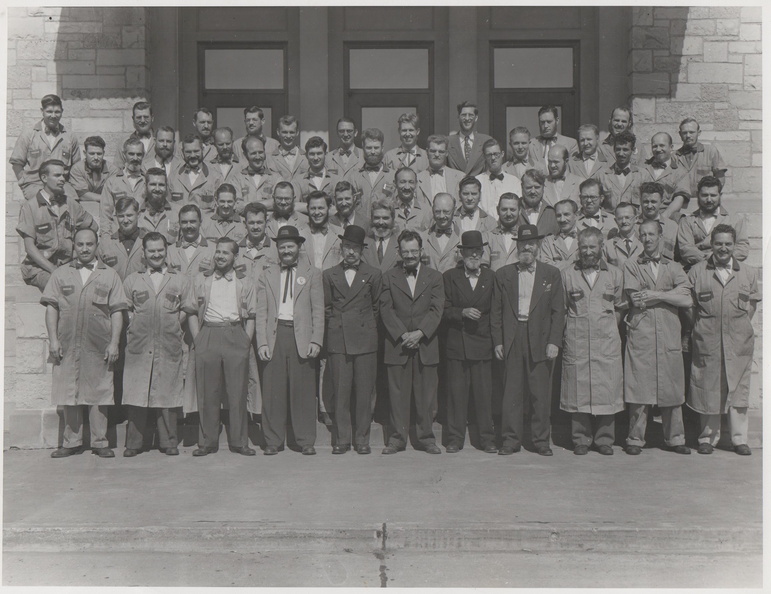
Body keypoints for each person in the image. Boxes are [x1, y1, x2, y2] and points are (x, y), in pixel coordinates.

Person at [42, 228, 127, 458]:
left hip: (98, 345)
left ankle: (100, 442)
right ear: (74, 246)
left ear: (97, 245)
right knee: (69, 390)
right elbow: (52, 308)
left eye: (90, 244)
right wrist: (53, 340)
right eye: (80, 244)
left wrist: (114, 343)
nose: (85, 249)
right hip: (68, 344)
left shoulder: (110, 275)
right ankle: (71, 442)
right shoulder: (60, 274)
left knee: (99, 391)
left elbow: (117, 311)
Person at [686, 224, 760, 456]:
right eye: (718, 243)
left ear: (734, 245)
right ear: (712, 244)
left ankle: (739, 439)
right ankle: (707, 438)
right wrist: (701, 329)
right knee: (708, 387)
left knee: (738, 390)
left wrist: (737, 328)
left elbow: (752, 305)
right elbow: (690, 308)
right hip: (708, 341)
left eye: (728, 243)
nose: (723, 248)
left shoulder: (748, 273)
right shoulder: (697, 271)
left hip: (739, 342)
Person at [491, 224, 565, 456]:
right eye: (522, 244)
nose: (526, 248)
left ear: (539, 246)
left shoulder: (551, 274)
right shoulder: (503, 274)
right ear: (516, 246)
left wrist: (554, 341)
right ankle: (510, 441)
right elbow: (496, 312)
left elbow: (557, 312)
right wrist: (498, 341)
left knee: (539, 393)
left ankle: (541, 441)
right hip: (513, 337)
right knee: (511, 393)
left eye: (531, 244)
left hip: (540, 339)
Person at [623, 219, 692, 456]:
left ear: (660, 237)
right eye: (643, 234)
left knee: (671, 385)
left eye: (652, 234)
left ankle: (675, 438)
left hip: (669, 333)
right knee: (639, 385)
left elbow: (687, 299)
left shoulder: (673, 266)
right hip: (641, 333)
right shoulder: (631, 265)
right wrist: (670, 295)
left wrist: (654, 294)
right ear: (639, 238)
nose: (648, 239)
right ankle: (635, 438)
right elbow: (636, 299)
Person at [122, 232, 194, 457]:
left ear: (166, 251)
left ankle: (168, 442)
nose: (156, 254)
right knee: (137, 391)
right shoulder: (133, 279)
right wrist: (134, 321)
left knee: (168, 393)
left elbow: (188, 307)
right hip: (140, 344)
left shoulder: (180, 279)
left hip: (168, 342)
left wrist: (173, 322)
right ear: (144, 253)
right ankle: (134, 443)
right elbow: (125, 307)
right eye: (151, 251)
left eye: (160, 250)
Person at [256, 226, 324, 455]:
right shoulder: (267, 274)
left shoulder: (313, 274)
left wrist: (316, 340)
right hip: (276, 336)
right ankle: (273, 442)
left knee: (302, 391)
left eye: (290, 246)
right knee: (273, 391)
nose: (286, 250)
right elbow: (262, 311)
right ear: (277, 249)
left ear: (299, 247)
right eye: (282, 246)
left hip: (301, 336)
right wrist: (262, 342)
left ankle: (306, 441)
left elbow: (318, 311)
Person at [187, 237, 257, 457]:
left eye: (225, 253)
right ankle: (207, 442)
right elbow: (190, 311)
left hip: (236, 334)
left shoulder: (244, 281)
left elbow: (253, 314)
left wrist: (246, 340)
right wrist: (198, 338)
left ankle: (239, 442)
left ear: (235, 257)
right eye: (218, 252)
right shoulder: (201, 279)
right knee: (208, 392)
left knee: (237, 392)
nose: (220, 256)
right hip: (208, 333)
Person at [560, 227, 625, 455]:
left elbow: (620, 308)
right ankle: (580, 439)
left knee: (607, 389)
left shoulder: (615, 274)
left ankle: (604, 440)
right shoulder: (567, 274)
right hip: (577, 341)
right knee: (579, 389)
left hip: (606, 342)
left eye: (592, 247)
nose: (588, 252)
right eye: (584, 247)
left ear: (601, 248)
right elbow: (563, 309)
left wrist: (606, 329)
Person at [380, 230, 445, 454]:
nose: (409, 256)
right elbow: (385, 310)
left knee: (426, 395)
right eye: (405, 251)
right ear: (398, 252)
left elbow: (437, 310)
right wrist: (402, 335)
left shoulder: (435, 277)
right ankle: (397, 439)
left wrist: (420, 333)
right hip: (397, 345)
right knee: (397, 395)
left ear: (421, 251)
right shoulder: (388, 277)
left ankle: (426, 438)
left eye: (414, 251)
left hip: (425, 344)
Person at [323, 225, 382, 454]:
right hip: (339, 339)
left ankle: (362, 439)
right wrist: (338, 324)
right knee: (341, 391)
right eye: (347, 247)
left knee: (365, 392)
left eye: (355, 248)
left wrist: (365, 326)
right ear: (341, 248)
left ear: (362, 250)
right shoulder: (329, 275)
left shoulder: (373, 274)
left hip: (365, 339)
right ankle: (342, 439)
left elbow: (376, 307)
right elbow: (327, 308)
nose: (350, 252)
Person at [442, 231, 497, 454]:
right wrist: (461, 312)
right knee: (457, 395)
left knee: (484, 395)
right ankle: (455, 439)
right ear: (461, 253)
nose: (474, 255)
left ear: (483, 254)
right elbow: (443, 310)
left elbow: (496, 311)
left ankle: (487, 439)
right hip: (458, 345)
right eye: (469, 251)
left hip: (483, 343)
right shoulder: (449, 277)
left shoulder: (491, 278)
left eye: (478, 252)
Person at [16, 159, 98, 291]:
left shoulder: (70, 204)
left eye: (64, 176)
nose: (62, 179)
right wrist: (53, 270)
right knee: (61, 286)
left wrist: (78, 252)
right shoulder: (30, 207)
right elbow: (30, 248)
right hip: (39, 269)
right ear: (44, 178)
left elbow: (93, 227)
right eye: (57, 175)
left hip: (67, 266)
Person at [10, 94, 80, 200]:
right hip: (35, 184)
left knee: (73, 205)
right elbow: (17, 163)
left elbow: (76, 167)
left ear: (62, 112)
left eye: (57, 112)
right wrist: (24, 183)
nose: (53, 115)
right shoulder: (28, 135)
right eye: (49, 111)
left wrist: (73, 186)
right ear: (42, 111)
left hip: (62, 184)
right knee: (44, 206)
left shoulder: (70, 137)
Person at [676, 176, 749, 269]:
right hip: (695, 267)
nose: (709, 200)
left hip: (726, 267)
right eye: (705, 195)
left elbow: (742, 248)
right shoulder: (687, 221)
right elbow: (686, 249)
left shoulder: (734, 219)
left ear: (720, 195)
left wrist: (720, 258)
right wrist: (709, 259)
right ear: (698, 195)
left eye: (713, 195)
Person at [99, 138, 147, 237]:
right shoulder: (112, 182)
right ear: (124, 155)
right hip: (118, 236)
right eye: (131, 154)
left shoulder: (148, 181)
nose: (135, 158)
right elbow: (105, 215)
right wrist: (106, 237)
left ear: (143, 155)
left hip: (142, 237)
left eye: (139, 154)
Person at [345, 128, 395, 219]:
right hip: (360, 229)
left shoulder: (392, 176)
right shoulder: (354, 177)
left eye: (376, 148)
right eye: (369, 148)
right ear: (363, 148)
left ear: (382, 148)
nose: (372, 152)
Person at [233, 136, 288, 214]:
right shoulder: (236, 179)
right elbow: (238, 207)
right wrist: (267, 203)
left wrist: (248, 204)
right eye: (253, 153)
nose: (258, 157)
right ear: (245, 155)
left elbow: (280, 202)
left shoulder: (276, 178)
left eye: (261, 152)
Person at [642, 132, 691, 220]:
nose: (658, 149)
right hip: (642, 217)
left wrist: (662, 217)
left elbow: (679, 199)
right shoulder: (642, 168)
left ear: (671, 147)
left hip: (667, 218)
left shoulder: (681, 172)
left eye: (662, 145)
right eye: (654, 146)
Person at [96, 197, 148, 280]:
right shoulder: (105, 244)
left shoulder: (150, 241)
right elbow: (99, 277)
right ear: (116, 216)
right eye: (121, 216)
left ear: (138, 214)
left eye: (129, 215)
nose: (125, 220)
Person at [675, 117, 727, 197]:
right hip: (681, 203)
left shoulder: (711, 152)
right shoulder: (674, 156)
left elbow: (720, 178)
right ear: (680, 134)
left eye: (691, 132)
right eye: (684, 133)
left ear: (698, 133)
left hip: (704, 202)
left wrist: (711, 198)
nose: (688, 135)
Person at [168, 135, 220, 215]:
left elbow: (218, 209)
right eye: (188, 152)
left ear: (203, 150)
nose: (192, 155)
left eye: (196, 151)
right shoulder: (173, 178)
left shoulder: (216, 178)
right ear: (182, 152)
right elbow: (168, 208)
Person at [596, 130, 646, 211]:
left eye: (625, 150)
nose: (621, 154)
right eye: (618, 149)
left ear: (633, 150)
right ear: (614, 149)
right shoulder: (602, 175)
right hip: (610, 221)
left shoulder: (642, 175)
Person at [476, 139, 522, 217]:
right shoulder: (477, 181)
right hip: (484, 227)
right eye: (489, 155)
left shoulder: (514, 182)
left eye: (496, 154)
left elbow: (517, 209)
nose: (493, 158)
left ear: (502, 154)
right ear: (484, 157)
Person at [299, 191, 343, 271]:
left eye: (321, 208)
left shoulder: (340, 234)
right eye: (313, 208)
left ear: (329, 208)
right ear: (307, 209)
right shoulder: (299, 234)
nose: (316, 212)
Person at [416, 134, 465, 205]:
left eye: (441, 152)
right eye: (433, 151)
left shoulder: (460, 177)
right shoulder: (417, 179)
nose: (437, 155)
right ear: (427, 152)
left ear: (446, 153)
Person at [528, 106, 578, 174]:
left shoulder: (571, 143)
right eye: (542, 122)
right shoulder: (530, 144)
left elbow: (574, 171)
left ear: (557, 121)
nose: (545, 126)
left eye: (549, 122)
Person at [447, 101, 492, 176]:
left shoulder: (486, 141)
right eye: (463, 115)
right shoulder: (448, 142)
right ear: (458, 117)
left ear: (476, 118)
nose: (467, 118)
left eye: (470, 115)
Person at [422, 193, 463, 274]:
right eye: (437, 211)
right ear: (432, 210)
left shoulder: (463, 237)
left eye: (446, 211)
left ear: (454, 210)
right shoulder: (422, 237)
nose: (441, 216)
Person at [113, 101, 161, 170]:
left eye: (146, 117)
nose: (142, 121)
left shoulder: (161, 142)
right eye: (139, 117)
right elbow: (117, 171)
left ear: (152, 118)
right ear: (133, 119)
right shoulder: (124, 142)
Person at [137, 168, 180, 243]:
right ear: (145, 186)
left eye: (161, 185)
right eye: (153, 184)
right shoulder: (136, 213)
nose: (157, 189)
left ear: (166, 187)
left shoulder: (178, 212)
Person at [638, 182, 678, 260]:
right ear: (640, 201)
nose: (649, 206)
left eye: (653, 202)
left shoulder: (672, 227)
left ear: (662, 201)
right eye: (646, 202)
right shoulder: (633, 225)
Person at [68, 135, 114, 204]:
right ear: (85, 153)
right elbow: (82, 195)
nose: (96, 157)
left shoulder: (112, 170)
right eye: (92, 154)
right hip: (83, 207)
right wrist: (107, 198)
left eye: (99, 154)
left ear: (103, 153)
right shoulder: (77, 169)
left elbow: (115, 193)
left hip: (107, 207)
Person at [267, 115, 309, 182]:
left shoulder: (306, 157)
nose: (288, 136)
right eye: (285, 132)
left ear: (297, 132)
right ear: (278, 132)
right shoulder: (269, 158)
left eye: (291, 132)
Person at [540, 199, 579, 271]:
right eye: (558, 215)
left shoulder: (586, 238)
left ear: (576, 215)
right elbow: (546, 268)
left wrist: (558, 264)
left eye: (566, 214)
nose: (562, 219)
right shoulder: (548, 242)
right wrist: (574, 262)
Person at [298, 136, 341, 202]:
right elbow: (294, 206)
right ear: (306, 156)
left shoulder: (337, 181)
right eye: (312, 154)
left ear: (325, 154)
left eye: (319, 153)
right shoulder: (298, 181)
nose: (315, 158)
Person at [362, 200, 401, 272]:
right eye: (377, 218)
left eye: (385, 218)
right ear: (371, 219)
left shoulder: (400, 244)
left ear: (393, 219)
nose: (380, 222)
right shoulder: (362, 244)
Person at [517, 169, 558, 236]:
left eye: (537, 187)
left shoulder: (552, 214)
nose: (533, 191)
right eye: (529, 187)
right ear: (522, 187)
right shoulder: (513, 210)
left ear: (543, 188)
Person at [603, 202, 643, 268]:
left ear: (636, 219)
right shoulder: (608, 246)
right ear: (615, 220)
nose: (624, 221)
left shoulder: (643, 243)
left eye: (627, 217)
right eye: (620, 218)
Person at [486, 193, 520, 271]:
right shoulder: (488, 237)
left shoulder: (525, 238)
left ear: (520, 211)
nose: (508, 214)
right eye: (504, 209)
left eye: (512, 210)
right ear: (498, 210)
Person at [393, 167, 432, 232]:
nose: (407, 187)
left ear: (416, 184)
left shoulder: (426, 211)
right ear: (395, 184)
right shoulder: (388, 209)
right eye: (402, 182)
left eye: (411, 182)